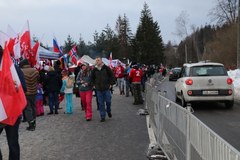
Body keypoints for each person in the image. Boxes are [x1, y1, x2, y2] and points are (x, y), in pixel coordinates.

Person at [0, 45, 27, 160]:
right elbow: (24, 88)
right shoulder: (14, 68)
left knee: (13, 143)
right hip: (13, 111)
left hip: (9, 111)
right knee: (13, 143)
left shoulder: (13, 68)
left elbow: (22, 88)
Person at [91, 56, 115, 122]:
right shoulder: (94, 69)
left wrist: (111, 84)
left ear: (101, 61)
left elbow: (112, 76)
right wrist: (93, 85)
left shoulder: (106, 68)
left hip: (106, 88)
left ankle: (108, 110)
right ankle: (102, 116)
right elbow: (92, 78)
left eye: (98, 60)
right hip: (98, 89)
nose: (97, 61)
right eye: (96, 60)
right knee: (101, 103)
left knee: (108, 101)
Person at [19, 59, 39, 131]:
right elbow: (38, 80)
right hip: (34, 91)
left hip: (25, 92)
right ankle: (34, 121)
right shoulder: (35, 70)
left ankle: (31, 124)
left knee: (27, 108)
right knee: (33, 107)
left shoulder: (20, 71)